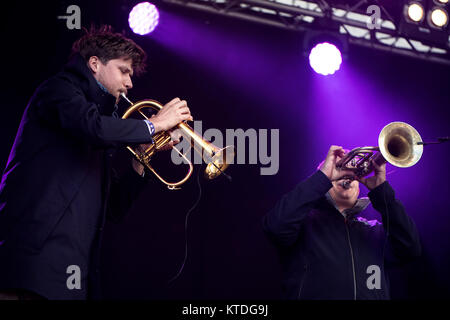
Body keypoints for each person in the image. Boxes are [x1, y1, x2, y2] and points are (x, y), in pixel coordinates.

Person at [0, 26, 192, 300]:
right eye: (124, 71)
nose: (130, 83)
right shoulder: (60, 90)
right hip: (31, 266)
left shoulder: (97, 130)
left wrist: (142, 157)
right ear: (94, 64)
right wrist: (155, 124)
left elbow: (113, 208)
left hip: (70, 275)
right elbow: (93, 127)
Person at [262, 145, 421, 300]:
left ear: (358, 189)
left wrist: (381, 190)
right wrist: (323, 176)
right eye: (338, 169)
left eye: (353, 173)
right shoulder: (304, 223)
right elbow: (275, 227)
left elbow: (410, 249)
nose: (347, 175)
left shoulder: (375, 230)